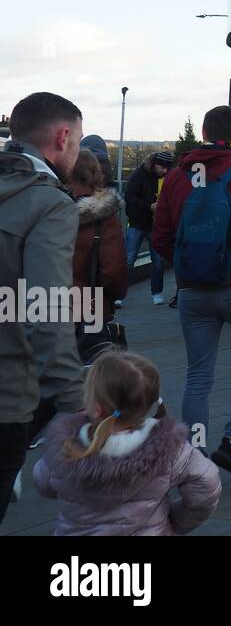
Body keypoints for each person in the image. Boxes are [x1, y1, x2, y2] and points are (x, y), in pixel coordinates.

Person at [152, 105, 231, 485]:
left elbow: (160, 237)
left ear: (203, 131)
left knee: (198, 376)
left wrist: (189, 267)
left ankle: (197, 457)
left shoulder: (175, 177)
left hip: (193, 292)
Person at [0, 92, 86, 526]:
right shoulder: (49, 203)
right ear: (63, 135)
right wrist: (75, 405)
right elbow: (45, 308)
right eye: (77, 143)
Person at [33, 351, 221, 536]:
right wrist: (178, 522)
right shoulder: (170, 450)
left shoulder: (65, 446)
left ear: (96, 408)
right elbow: (206, 486)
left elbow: (44, 484)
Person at [69, 151, 128, 329]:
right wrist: (115, 295)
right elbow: (113, 270)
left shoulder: (48, 209)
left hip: (42, 305)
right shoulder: (105, 217)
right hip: (90, 306)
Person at [125, 151, 175, 305]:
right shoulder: (138, 176)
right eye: (162, 167)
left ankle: (157, 292)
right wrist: (149, 206)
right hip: (137, 223)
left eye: (167, 168)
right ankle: (119, 293)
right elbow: (130, 197)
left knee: (158, 260)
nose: (164, 171)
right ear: (154, 164)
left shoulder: (166, 178)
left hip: (155, 225)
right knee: (128, 259)